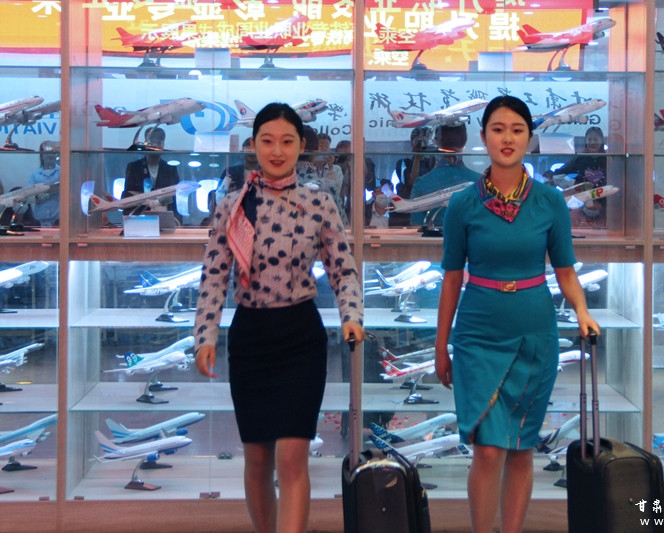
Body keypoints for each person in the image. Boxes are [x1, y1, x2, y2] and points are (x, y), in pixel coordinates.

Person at [193, 102, 365, 533]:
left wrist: (351, 315)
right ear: (253, 145)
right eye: (267, 141)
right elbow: (214, 275)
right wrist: (205, 335)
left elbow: (343, 268)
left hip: (300, 337)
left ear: (301, 146)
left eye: (287, 141)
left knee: (292, 456)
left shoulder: (318, 202)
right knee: (256, 458)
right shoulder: (232, 205)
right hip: (250, 336)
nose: (276, 150)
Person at [434, 95, 600, 533]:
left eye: (517, 130)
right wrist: (440, 346)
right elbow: (451, 278)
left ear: (529, 138)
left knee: (522, 447)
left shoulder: (550, 201)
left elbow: (565, 271)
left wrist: (582, 311)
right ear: (483, 137)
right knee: (488, 449)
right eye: (498, 129)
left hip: (533, 334)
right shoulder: (462, 204)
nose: (507, 138)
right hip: (476, 335)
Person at [409, 123, 481, 227]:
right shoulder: (480, 182)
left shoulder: (421, 184)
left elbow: (417, 228)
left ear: (435, 141)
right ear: (465, 141)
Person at [544, 126, 608, 228]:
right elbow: (559, 172)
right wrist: (572, 183)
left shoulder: (608, 159)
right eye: (590, 139)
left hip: (605, 204)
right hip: (582, 202)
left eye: (596, 139)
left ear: (602, 141)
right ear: (585, 141)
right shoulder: (580, 159)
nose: (592, 142)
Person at [122, 127, 181, 215]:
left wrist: (176, 219)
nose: (156, 146)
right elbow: (128, 194)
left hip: (164, 215)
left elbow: (176, 197)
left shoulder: (170, 169)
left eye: (159, 142)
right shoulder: (134, 167)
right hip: (139, 215)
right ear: (146, 143)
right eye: (153, 142)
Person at [390, 126, 436, 226]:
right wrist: (417, 157)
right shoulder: (403, 163)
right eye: (417, 141)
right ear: (412, 143)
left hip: (428, 205)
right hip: (408, 209)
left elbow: (433, 183)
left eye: (423, 141)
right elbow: (411, 182)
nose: (420, 144)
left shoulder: (431, 161)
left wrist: (430, 152)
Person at [28, 140, 60, 227]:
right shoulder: (34, 175)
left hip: (58, 219)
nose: (49, 156)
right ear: (41, 155)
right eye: (46, 153)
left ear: (56, 155)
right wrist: (40, 196)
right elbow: (29, 197)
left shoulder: (63, 172)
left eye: (52, 153)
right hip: (39, 219)